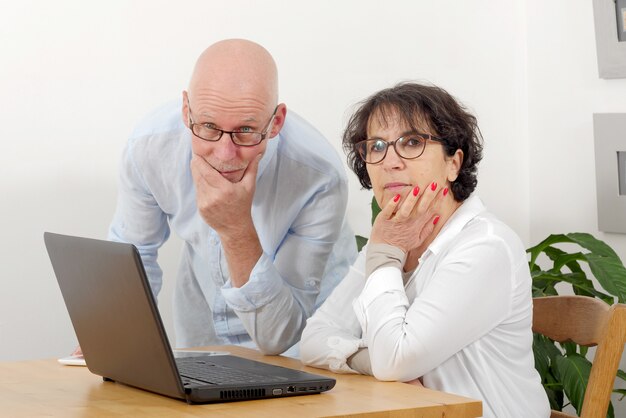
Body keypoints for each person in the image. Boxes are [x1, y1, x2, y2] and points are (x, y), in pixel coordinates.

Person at [300, 82, 550, 417]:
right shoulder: (388, 241)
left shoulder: (485, 246)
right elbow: (314, 339)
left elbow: (395, 360)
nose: (390, 161)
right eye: (376, 146)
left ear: (453, 163)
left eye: (412, 142)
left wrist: (387, 252)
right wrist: (372, 360)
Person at [102, 39, 357, 356]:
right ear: (186, 111)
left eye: (246, 131)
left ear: (275, 122)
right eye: (208, 127)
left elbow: (281, 336)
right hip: (202, 322)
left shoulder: (318, 177)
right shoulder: (150, 147)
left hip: (305, 340)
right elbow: (134, 252)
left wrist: (236, 228)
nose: (225, 153)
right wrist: (113, 339)